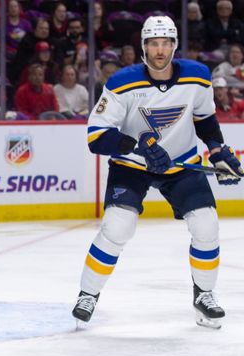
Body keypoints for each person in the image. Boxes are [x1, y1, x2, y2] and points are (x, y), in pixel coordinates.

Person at [74, 15, 244, 329]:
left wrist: (217, 151)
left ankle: (204, 296)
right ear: (144, 47)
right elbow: (96, 137)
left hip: (180, 164)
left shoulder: (197, 77)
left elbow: (205, 119)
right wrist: (138, 147)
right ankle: (88, 294)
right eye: (154, 43)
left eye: (166, 43)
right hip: (132, 167)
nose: (160, 50)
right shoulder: (122, 82)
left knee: (206, 225)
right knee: (117, 227)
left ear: (175, 45)